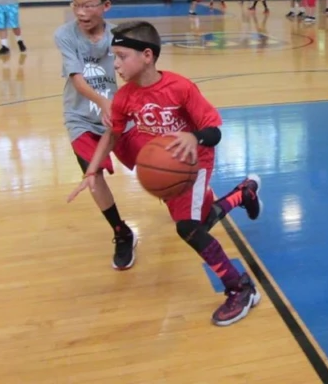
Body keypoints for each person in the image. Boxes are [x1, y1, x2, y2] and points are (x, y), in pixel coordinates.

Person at [67, 19, 263, 326]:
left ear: (147, 55)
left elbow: (214, 131)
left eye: (121, 57)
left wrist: (193, 137)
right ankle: (244, 192)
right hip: (167, 164)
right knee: (202, 221)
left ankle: (241, 288)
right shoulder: (125, 97)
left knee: (188, 228)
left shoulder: (180, 87)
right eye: (113, 57)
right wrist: (91, 171)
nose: (115, 64)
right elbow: (114, 135)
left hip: (194, 161)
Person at [54, 0, 138, 270]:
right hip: (80, 117)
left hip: (119, 118)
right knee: (93, 176)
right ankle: (121, 232)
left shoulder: (120, 36)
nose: (80, 12)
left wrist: (123, 107)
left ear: (106, 5)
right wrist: (103, 102)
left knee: (156, 160)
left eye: (88, 5)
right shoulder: (64, 35)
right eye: (75, 5)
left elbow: (135, 74)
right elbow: (76, 78)